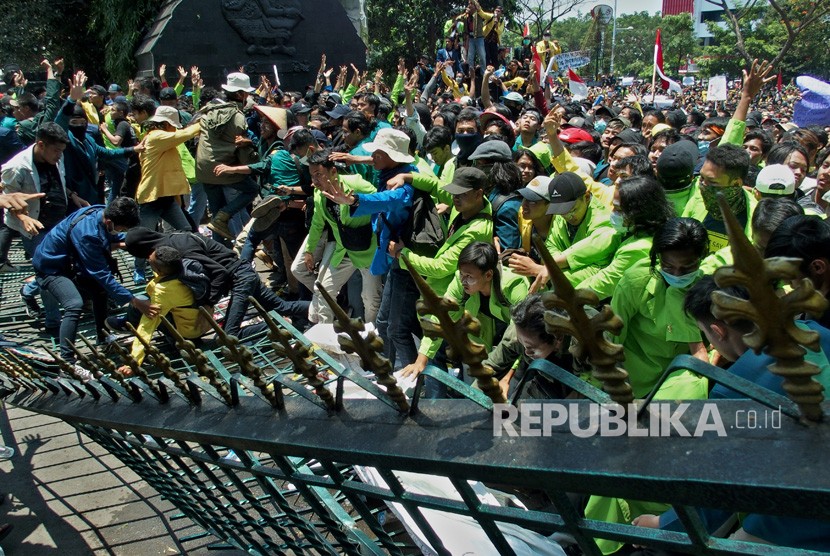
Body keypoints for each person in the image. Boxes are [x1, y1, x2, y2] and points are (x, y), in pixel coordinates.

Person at [33, 198, 155, 380]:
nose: (120, 232)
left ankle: (103, 337)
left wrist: (138, 242)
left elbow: (116, 237)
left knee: (100, 292)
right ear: (109, 222)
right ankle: (67, 364)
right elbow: (101, 274)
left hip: (73, 262)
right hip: (52, 268)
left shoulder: (100, 210)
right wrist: (134, 300)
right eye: (121, 228)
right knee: (74, 304)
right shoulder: (87, 235)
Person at [124, 227, 310, 339]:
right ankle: (332, 309)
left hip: (240, 279)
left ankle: (284, 325)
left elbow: (220, 272)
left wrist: (208, 302)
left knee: (230, 335)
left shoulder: (176, 248)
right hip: (243, 272)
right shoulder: (171, 239)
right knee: (282, 305)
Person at [401, 242, 528, 398]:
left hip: (527, 342)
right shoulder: (461, 282)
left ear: (488, 275)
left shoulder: (514, 285)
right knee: (477, 392)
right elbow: (441, 317)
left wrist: (507, 379)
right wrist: (421, 360)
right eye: (461, 274)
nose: (463, 280)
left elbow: (523, 334)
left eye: (469, 277)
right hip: (489, 338)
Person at [611, 218, 709, 397]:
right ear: (658, 258)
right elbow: (613, 334)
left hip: (680, 376)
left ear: (701, 258)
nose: (677, 275)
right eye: (668, 267)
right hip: (635, 377)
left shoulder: (705, 287)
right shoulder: (635, 282)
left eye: (687, 268)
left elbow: (713, 341)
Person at [291, 148, 381, 324]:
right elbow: (317, 224)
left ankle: (373, 338)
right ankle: (326, 340)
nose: (315, 181)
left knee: (370, 300)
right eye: (312, 175)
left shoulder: (355, 183)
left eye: (318, 174)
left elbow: (382, 200)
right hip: (344, 250)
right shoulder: (319, 194)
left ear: (333, 171)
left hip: (367, 251)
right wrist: (309, 250)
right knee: (323, 291)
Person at [2, 123, 71, 330]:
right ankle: (53, 321)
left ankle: (29, 289)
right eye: (56, 150)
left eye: (61, 151)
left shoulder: (57, 157)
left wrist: (73, 196)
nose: (59, 155)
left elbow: (59, 181)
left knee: (63, 265)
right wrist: (23, 219)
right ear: (41, 144)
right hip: (34, 227)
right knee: (49, 271)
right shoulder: (17, 167)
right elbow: (9, 199)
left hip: (58, 223)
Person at [576, 176, 675, 301]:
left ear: (637, 212)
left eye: (618, 209)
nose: (612, 212)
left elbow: (605, 283)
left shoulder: (639, 248)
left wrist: (571, 298)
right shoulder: (638, 233)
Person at [111, 245, 207, 373]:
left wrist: (134, 362)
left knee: (140, 302)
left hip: (186, 332)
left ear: (158, 269)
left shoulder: (164, 291)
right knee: (145, 300)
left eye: (150, 261)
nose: (148, 258)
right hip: (200, 322)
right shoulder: (182, 267)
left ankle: (129, 324)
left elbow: (147, 326)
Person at [132, 105, 201, 282]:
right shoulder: (156, 136)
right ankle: (139, 269)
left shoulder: (163, 139)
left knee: (185, 229)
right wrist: (201, 123)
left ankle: (182, 263)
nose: (174, 129)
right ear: (164, 124)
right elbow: (183, 135)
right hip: (151, 198)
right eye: (173, 125)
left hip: (166, 197)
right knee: (144, 237)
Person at [195, 72, 259, 241]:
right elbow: (242, 149)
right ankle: (225, 215)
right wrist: (253, 162)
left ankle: (219, 251)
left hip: (203, 169)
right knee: (252, 189)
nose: (248, 97)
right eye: (246, 94)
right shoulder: (237, 117)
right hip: (223, 169)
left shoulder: (206, 111)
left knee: (216, 217)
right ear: (239, 94)